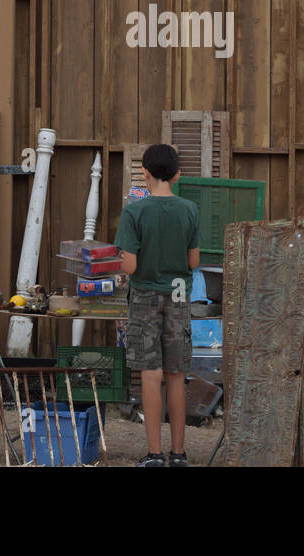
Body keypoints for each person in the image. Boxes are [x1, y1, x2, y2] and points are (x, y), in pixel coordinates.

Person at [114, 143, 201, 467]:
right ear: (177, 175)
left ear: (145, 174)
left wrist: (121, 257)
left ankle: (154, 455)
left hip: (145, 296)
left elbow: (130, 267)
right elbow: (193, 262)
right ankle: (179, 454)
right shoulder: (190, 210)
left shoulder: (134, 211)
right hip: (179, 295)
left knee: (151, 376)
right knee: (176, 374)